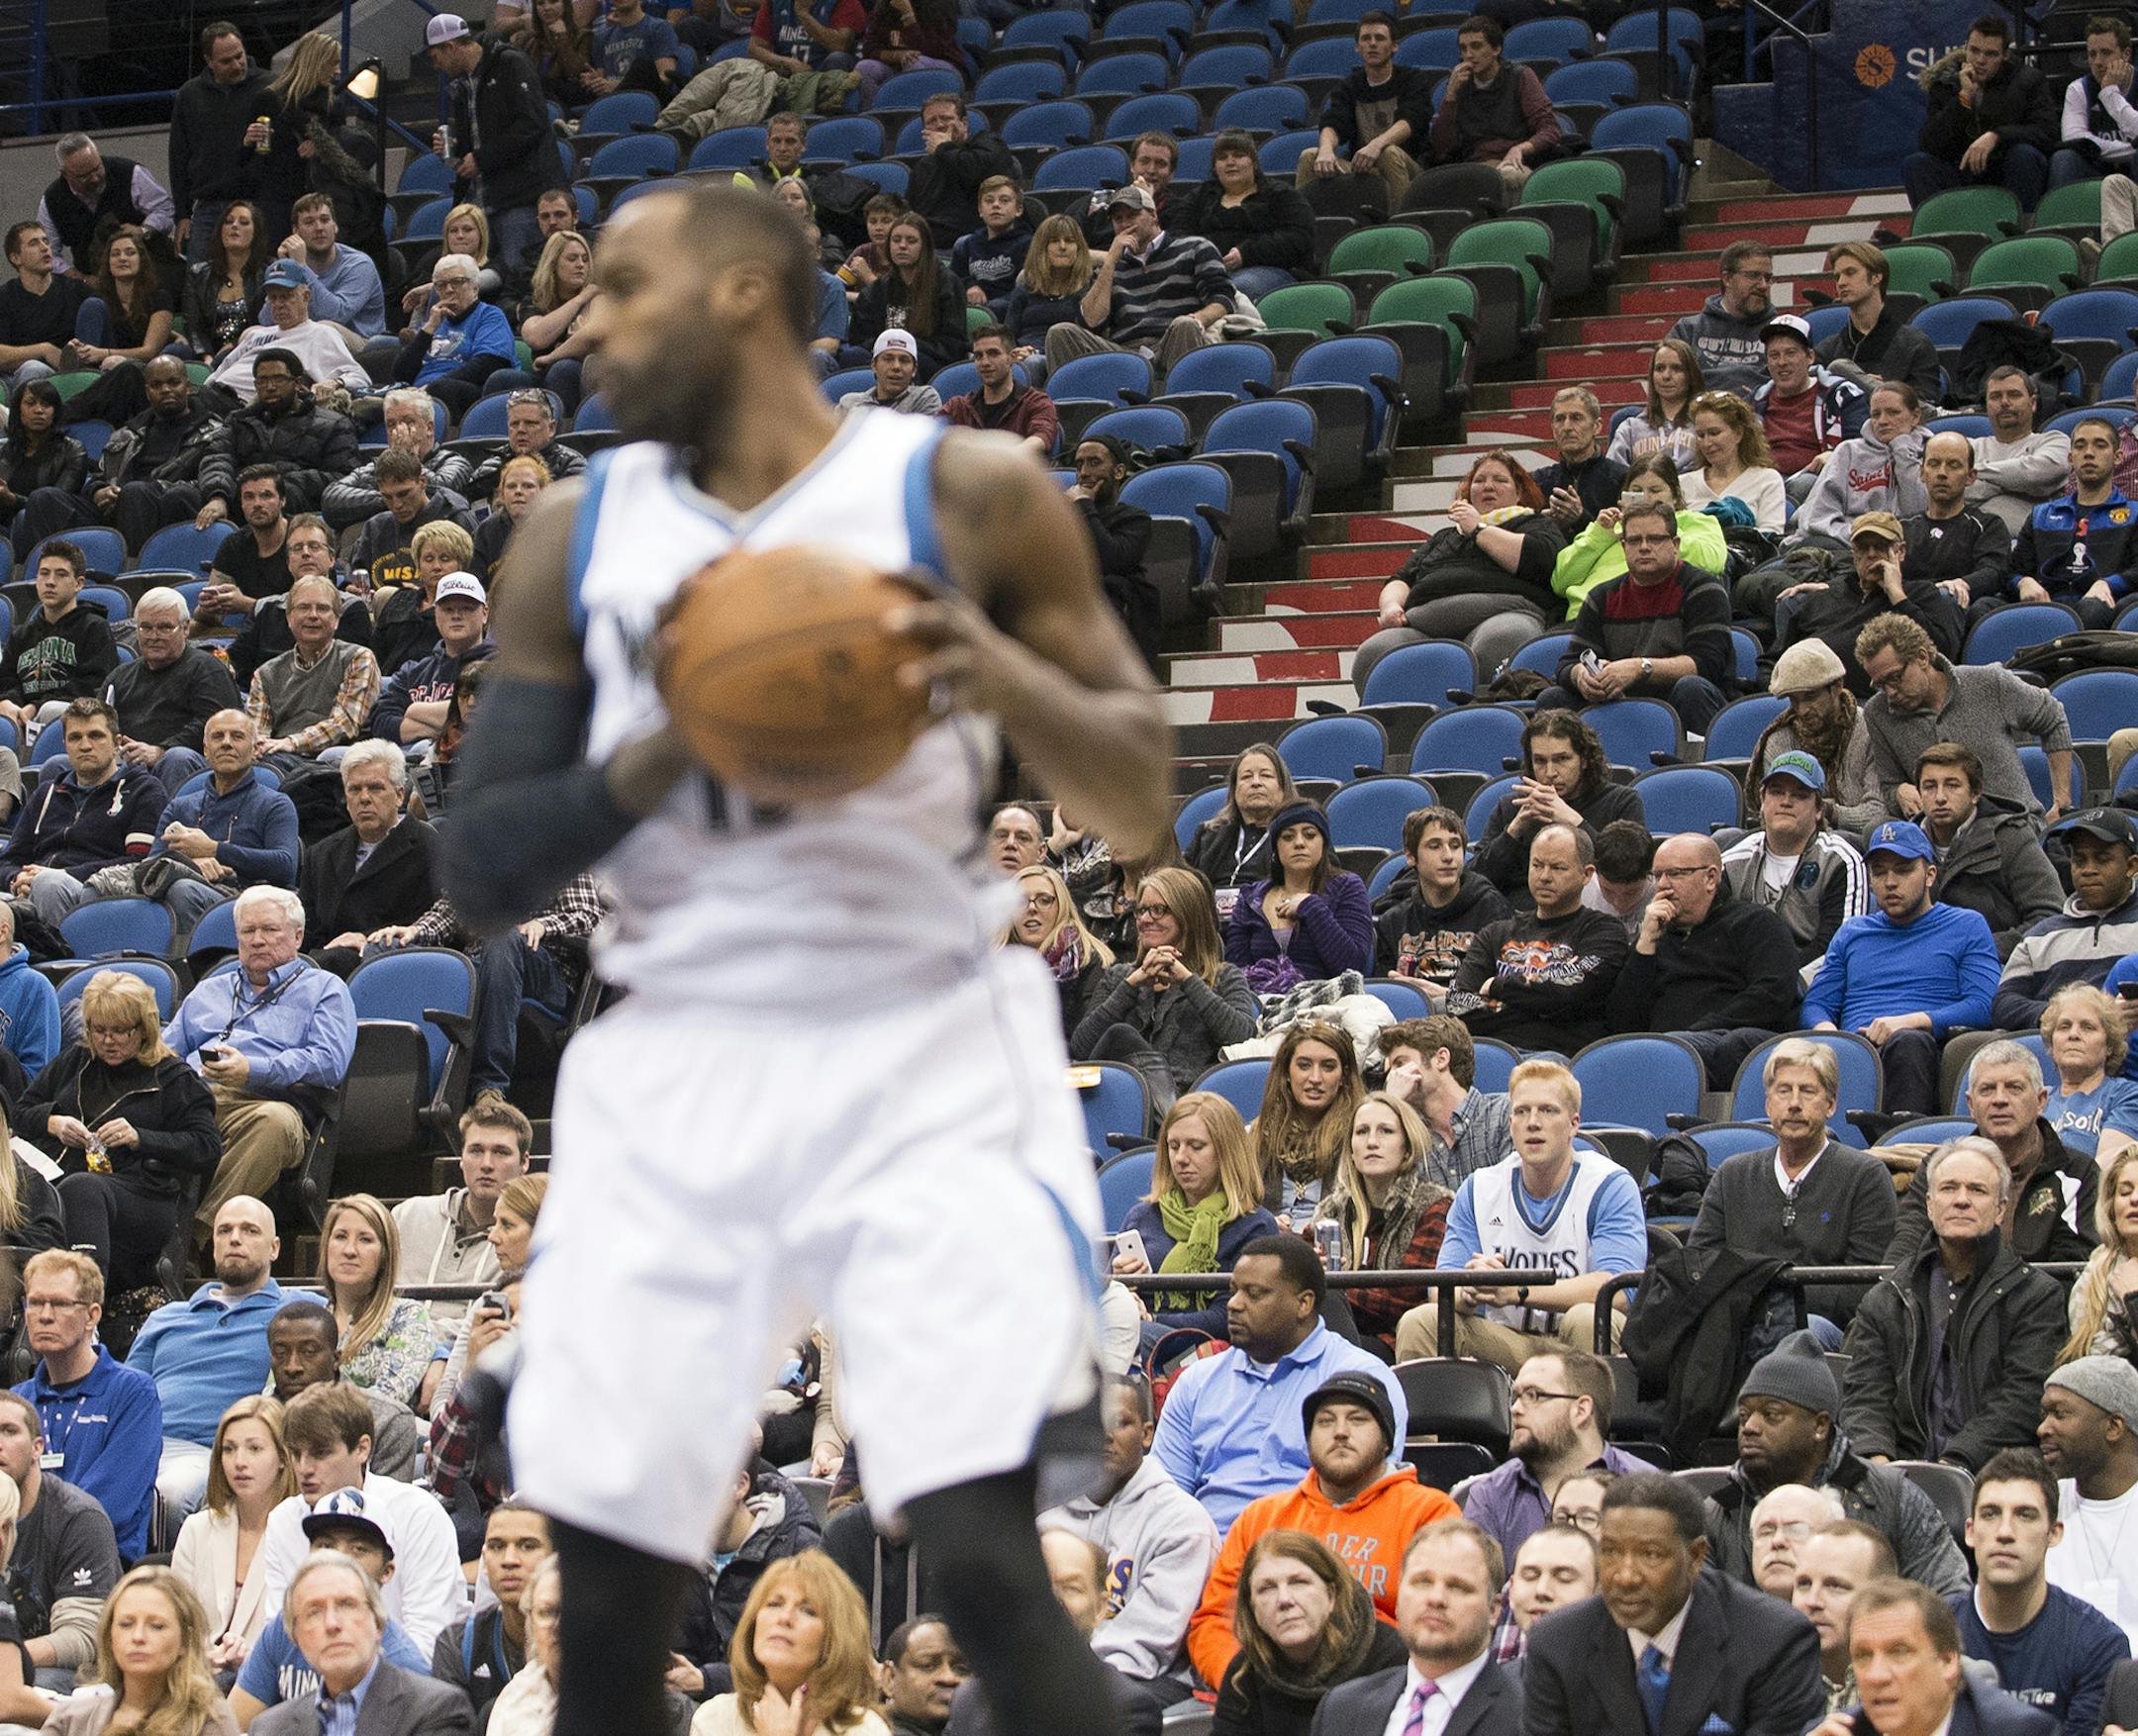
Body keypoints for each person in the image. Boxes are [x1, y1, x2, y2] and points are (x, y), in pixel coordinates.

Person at [440, 182, 1173, 1736]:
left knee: (982, 1559)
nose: (581, 326)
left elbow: (1137, 793)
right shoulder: (576, 533)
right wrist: (663, 750)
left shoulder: (966, 492)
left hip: (924, 1035)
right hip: (679, 1035)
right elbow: (483, 870)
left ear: (745, 293)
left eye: (623, 289)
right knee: (614, 1584)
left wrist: (993, 672)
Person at [1189, 1373, 1453, 1690]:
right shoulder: (1262, 1516)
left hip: (1383, 1694)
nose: (1340, 1432)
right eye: (1325, 1422)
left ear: (1387, 1440)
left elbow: (1438, 1624)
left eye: (1357, 1420)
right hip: (1270, 1695)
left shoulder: (1430, 1513)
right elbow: (1214, 1621)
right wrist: (1243, 1686)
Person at [1392, 1060, 1645, 1371]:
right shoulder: (1480, 1188)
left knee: (1587, 1317)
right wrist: (1470, 1288)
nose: (1533, 1123)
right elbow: (1441, 1289)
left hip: (1575, 1340)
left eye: (1548, 1111)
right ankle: (1427, 1421)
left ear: (1574, 1124)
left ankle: (1583, 1418)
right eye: (1522, 1112)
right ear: (1511, 1123)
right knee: (1422, 1321)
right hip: (1506, 1339)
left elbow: (1619, 1291)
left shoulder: (1608, 1185)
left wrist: (1517, 1291)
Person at [1533, 1473, 1827, 1734]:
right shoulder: (1558, 1642)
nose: (1625, 1576)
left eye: (1650, 1554)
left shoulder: (1774, 1640)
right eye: (1610, 1551)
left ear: (1696, 1557)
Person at [1152, 1236, 1406, 1535]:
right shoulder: (1196, 1381)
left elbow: (1369, 1500)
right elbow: (1164, 1501)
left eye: (1255, 1294)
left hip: (1315, 1557)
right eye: (1233, 1291)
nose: (1234, 1305)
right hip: (1209, 1556)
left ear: (1303, 1303)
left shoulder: (1362, 1378)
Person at [1844, 1137, 2066, 1470]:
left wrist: (1952, 1465)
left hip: (1999, 1473)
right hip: (1896, 1473)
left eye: (1977, 1190)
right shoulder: (1889, 1295)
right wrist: (1878, 1463)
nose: (1961, 1200)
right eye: (1949, 1189)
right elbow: (1865, 1394)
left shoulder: (2036, 1295)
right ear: (1930, 1206)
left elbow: (2021, 1400)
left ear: (2001, 1210)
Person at [1700, 1330, 1972, 1594]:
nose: (1750, 1427)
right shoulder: (1718, 1513)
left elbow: (1949, 1599)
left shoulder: (1891, 1497)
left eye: (1771, 1414)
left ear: (1820, 1425)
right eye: (1745, 1415)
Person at [162, 885, 356, 1229]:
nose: (257, 940)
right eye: (248, 931)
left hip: (263, 1101)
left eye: (269, 930)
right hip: (193, 1096)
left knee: (275, 1123)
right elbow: (164, 1054)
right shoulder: (210, 989)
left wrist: (254, 1070)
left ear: (297, 936)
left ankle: (196, 1234)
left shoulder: (325, 989)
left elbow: (328, 1063)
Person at [23, 969, 220, 1293]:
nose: (107, 1041)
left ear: (144, 1029)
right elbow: (19, 1110)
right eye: (98, 1030)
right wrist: (52, 1122)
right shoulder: (78, 1060)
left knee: (83, 1189)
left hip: (144, 1194)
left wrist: (140, 1138)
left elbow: (206, 1147)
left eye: (120, 1031)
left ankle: (83, 1302)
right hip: (63, 1177)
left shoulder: (173, 1078)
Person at [1687, 1041, 1897, 1342]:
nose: (1794, 1103)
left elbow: (1863, 1287)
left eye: (1808, 1091)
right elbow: (1700, 1266)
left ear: (1831, 1104)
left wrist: (1767, 1297)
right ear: (1768, 1104)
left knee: (1799, 1334)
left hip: (1823, 1330)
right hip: (1738, 1321)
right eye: (1784, 1091)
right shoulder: (1732, 1175)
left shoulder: (1865, 1177)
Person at [1801, 820, 2000, 1114]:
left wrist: (1909, 1021)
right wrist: (1832, 1036)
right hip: (1855, 1054)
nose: (1890, 882)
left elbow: (1982, 1006)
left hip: (1921, 1049)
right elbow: (1816, 1004)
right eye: (1879, 872)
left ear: (1930, 874)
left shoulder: (1966, 925)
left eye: (1903, 870)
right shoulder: (1853, 932)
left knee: (1908, 1043)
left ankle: (1903, 1146)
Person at [253, 1386, 462, 1662]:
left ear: (362, 1449)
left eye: (320, 1453)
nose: (304, 1468)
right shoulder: (283, 1520)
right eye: (295, 1453)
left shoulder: (418, 1514)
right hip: (312, 1688)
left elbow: (429, 1646)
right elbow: (283, 1642)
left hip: (407, 1687)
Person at [1039, 1377, 1216, 1698]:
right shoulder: (1047, 1519)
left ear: (1146, 1433)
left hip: (1150, 1681)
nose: (1105, 1436)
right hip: (1047, 1674)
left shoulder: (1181, 1521)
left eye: (1120, 1423)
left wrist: (1063, 1679)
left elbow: (1147, 1642)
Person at [1350, 451, 1569, 693]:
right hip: (1423, 625)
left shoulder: (1535, 524)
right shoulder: (1445, 536)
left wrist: (1478, 528)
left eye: (1500, 480)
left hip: (1505, 613)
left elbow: (1539, 559)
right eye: (1479, 480)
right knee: (1374, 653)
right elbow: (1401, 578)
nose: (1488, 486)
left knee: (1501, 639)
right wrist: (1390, 606)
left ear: (1519, 494)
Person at [1953, 1448, 2132, 1735]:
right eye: (1991, 1514)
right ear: (1970, 1531)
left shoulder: (2098, 1644)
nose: (2005, 1532)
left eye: (2025, 1515)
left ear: (2054, 1532)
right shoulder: (1929, 1632)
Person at [129, 1197, 284, 1526]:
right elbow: (128, 1394)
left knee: (169, 1494)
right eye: (224, 1230)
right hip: (146, 1444)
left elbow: (370, 1317)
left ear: (274, 1248)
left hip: (218, 1450)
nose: (235, 1238)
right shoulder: (167, 1316)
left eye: (250, 1230)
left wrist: (427, 1359)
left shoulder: (295, 1310)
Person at [1604, 831, 1801, 1080]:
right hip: (1664, 1048)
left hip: (1730, 1043)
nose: (1662, 885)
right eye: (1657, 875)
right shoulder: (1655, 937)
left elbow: (1772, 994)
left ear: (1711, 878)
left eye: (1675, 874)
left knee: (1671, 1052)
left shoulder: (1755, 923)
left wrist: (1697, 1030)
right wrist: (1645, 944)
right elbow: (1621, 1021)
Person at [1889, 1038, 2098, 1269]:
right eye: (1987, 1089)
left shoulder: (2079, 1173)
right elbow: (1904, 1255)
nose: (2000, 1100)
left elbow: (2072, 1273)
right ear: (1970, 1104)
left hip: (2041, 1302)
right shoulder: (1937, 1168)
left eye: (2014, 1088)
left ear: (2041, 1101)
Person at [12, 1248, 160, 1563]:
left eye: (61, 1304)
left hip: (99, 1564)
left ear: (92, 1315)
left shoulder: (132, 1392)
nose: (45, 1315)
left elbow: (111, 1506)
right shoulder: (17, 1402)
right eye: (35, 1302)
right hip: (19, 1564)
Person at [1537, 500, 1732, 729]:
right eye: (1634, 540)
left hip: (1684, 699)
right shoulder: (1601, 596)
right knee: (1553, 699)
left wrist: (1641, 669)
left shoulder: (1703, 589)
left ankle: (1693, 764)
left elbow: (1707, 664)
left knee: (1691, 688)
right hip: (1617, 700)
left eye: (1655, 539)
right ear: (1623, 546)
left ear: (1675, 544)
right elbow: (1567, 663)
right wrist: (1582, 676)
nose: (1644, 547)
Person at [1071, 865, 1258, 1104]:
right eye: (1141, 910)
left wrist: (1188, 980)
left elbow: (1241, 1037)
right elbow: (1082, 1047)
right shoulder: (1119, 977)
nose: (1145, 919)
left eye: (1158, 910)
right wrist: (1131, 986)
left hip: (1192, 1105)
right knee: (1120, 1036)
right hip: (1122, 1104)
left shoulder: (1223, 977)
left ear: (1187, 915)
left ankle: (1167, 1112)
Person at [248, 1545, 472, 1736]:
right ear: (294, 1637)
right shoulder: (270, 1728)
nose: (332, 1624)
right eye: (314, 1612)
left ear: (379, 1623)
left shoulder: (436, 1710)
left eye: (347, 1604)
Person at [1111, 1093, 1281, 1340]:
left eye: (1196, 1146)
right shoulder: (1143, 1216)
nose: (1181, 1158)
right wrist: (1121, 1287)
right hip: (1135, 1339)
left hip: (1209, 1351)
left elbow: (1231, 1317)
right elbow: (1101, 1303)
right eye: (1173, 1146)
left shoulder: (1254, 1226)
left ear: (1226, 1151)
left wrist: (1150, 1320)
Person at [1445, 824, 1630, 1052]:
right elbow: (1457, 1003)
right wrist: (1544, 1006)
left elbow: (1571, 990)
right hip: (1493, 1054)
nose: (1544, 876)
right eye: (1537, 865)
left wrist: (1497, 985)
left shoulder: (1603, 931)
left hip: (1557, 1060)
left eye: (1558, 868)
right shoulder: (1495, 933)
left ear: (1587, 874)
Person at [1458, 1350, 1653, 1566]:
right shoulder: (1490, 1495)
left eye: (1533, 1395)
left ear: (1581, 1410)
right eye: (1515, 1397)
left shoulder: (1649, 1489)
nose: (1515, 1409)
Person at [1206, 1530, 1407, 1736]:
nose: (1284, 1600)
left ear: (1331, 1595)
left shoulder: (1391, 1658)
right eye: (1266, 1588)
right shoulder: (1243, 1673)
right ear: (1251, 1608)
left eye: (1298, 1582)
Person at [1814, 1576, 2061, 1736]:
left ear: (1948, 1661)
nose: (1876, 1676)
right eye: (1863, 1656)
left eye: (1898, 1652)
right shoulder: (1840, 1731)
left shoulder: (2018, 1731)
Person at [0, 696, 168, 929]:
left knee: (49, 883)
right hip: (32, 891)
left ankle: (51, 959)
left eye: (96, 735)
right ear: (65, 744)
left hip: (96, 896)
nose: (85, 745)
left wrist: (63, 873)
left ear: (116, 743)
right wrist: (16, 880)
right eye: (75, 738)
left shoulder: (144, 789)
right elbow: (9, 860)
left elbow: (140, 863)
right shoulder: (47, 794)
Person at [1308, 1094, 1452, 1353]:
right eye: (1362, 1132)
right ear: (1351, 1150)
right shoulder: (1331, 1213)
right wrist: (1307, 1267)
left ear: (1407, 1147)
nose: (1372, 1142)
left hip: (1395, 1343)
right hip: (1333, 1336)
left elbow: (1407, 1299)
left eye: (1386, 1131)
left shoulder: (1432, 1207)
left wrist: (1331, 1285)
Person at [686, 1551, 889, 1736]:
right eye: (774, 1604)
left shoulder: (866, 1730)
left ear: (834, 1638)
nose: (784, 1618)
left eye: (808, 1610)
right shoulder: (714, 1720)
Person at [0, 1387, 124, 1688]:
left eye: (9, 1431)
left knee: (40, 1682)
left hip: (60, 1670)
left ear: (37, 1447)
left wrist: (9, 1659)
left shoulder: (78, 1518)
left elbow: (82, 1637)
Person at [1046, 186, 1231, 378]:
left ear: (1153, 215)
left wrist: (1199, 319)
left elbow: (1223, 299)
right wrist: (1110, 262)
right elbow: (1091, 322)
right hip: (1124, 351)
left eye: (1132, 215)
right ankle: (1070, 407)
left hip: (1171, 339)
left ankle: (1186, 402)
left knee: (1185, 324)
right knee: (1060, 333)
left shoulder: (1194, 247)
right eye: (1118, 219)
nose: (1125, 223)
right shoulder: (1110, 268)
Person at [40, 1562, 239, 1736]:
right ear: (109, 1637)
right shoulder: (70, 1720)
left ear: (185, 1641)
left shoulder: (210, 1720)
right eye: (126, 1624)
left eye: (156, 1626)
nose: (138, 1637)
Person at [1903, 742, 2061, 959]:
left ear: (1975, 793)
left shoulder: (2010, 836)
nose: (1940, 797)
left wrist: (1980, 949)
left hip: (1998, 962)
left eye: (1952, 785)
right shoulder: (1905, 844)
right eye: (1930, 786)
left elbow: (2050, 916)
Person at [170, 1395, 291, 1672]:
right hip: (197, 1677)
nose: (239, 1462)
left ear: (283, 1457)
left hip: (265, 1682)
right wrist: (201, 1657)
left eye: (255, 1449)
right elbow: (177, 1623)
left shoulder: (301, 1534)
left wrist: (249, 1659)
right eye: (229, 1449)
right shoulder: (196, 1529)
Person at [424, 15, 550, 275]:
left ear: (450, 47)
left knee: (519, 276)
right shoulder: (462, 85)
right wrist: (457, 149)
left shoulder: (511, 64)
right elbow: (480, 142)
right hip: (482, 203)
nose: (435, 66)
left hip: (519, 198)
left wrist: (481, 158)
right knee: (475, 283)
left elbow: (531, 124)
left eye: (435, 57)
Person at [1994, 809, 2138, 1029]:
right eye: (2079, 860)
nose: (2089, 870)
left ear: (2131, 866)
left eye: (2102, 859)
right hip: (2052, 1048)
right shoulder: (2040, 936)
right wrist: (2067, 1017)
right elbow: (2004, 1005)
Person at [1905, 13, 2057, 211]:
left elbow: (2048, 133)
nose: (1980, 60)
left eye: (1991, 54)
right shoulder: (1945, 83)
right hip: (1962, 170)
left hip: (2005, 167)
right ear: (1965, 47)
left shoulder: (2028, 80)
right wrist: (1963, 99)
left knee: (2024, 155)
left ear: (2005, 55)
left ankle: (2020, 232)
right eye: (1974, 51)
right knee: (1916, 164)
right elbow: (1930, 143)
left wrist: (1997, 136)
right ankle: (1942, 235)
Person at [2037, 1355, 2138, 1646]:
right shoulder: (2041, 1505)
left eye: (2060, 1414)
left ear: (2114, 1427)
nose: (2043, 1428)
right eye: (2044, 1415)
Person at [1550, 454, 1728, 620]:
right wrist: (1599, 537)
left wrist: (1662, 528)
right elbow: (1560, 581)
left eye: (1655, 490)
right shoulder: (1606, 527)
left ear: (1675, 495)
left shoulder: (1695, 522)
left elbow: (1712, 560)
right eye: (1637, 491)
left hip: (1653, 619)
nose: (1646, 498)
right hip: (1583, 618)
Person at [103, 588, 244, 793]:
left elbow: (215, 727)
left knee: (177, 757)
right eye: (146, 628)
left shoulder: (207, 668)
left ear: (186, 628)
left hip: (186, 766)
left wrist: (160, 751)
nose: (154, 636)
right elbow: (98, 721)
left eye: (165, 628)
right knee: (59, 763)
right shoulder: (119, 676)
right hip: (127, 762)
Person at [264, 1303, 420, 1485]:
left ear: (336, 1359)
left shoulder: (387, 1420)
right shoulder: (254, 1423)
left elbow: (388, 1505)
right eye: (281, 1353)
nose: (293, 1366)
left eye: (309, 1352)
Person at [1222, 802, 1373, 990]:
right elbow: (1235, 975)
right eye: (1287, 837)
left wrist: (1311, 907)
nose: (1299, 843)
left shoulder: (1348, 887)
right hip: (1262, 1004)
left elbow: (1352, 967)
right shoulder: (1250, 898)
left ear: (1324, 843)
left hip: (1326, 1005)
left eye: (1310, 835)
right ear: (1275, 848)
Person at [2007, 416, 2138, 627]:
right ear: (2070, 458)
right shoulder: (2041, 515)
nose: (2088, 453)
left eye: (2100, 445)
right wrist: (2023, 582)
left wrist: (2108, 584)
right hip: (2047, 604)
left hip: (2104, 604)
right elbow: (2012, 570)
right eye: (2080, 446)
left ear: (2118, 457)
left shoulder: (2134, 513)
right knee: (1984, 605)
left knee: (2093, 608)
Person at [310, 1195, 434, 1411]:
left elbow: (387, 1400)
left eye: (365, 1239)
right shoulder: (309, 1321)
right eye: (340, 1237)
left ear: (385, 1255)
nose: (349, 1250)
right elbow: (274, 1395)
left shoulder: (407, 1317)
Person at [431, 1502, 552, 1722]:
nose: (509, 1560)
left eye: (528, 1546)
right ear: (484, 1558)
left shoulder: (584, 1647)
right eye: (497, 1546)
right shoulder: (458, 1645)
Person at [242, 576, 382, 766]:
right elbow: (257, 734)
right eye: (304, 607)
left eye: (323, 608)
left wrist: (292, 743)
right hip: (278, 756)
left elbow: (345, 724)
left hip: (332, 762)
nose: (313, 615)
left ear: (336, 620)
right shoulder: (265, 674)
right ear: (289, 618)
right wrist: (261, 747)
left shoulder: (358, 658)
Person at [1371, 806, 1511, 991]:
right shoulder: (1394, 921)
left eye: (1455, 846)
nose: (1448, 856)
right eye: (1435, 846)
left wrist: (1445, 997)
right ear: (1411, 857)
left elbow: (1504, 995)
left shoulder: (1492, 909)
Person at [0, 542, 119, 739]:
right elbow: (6, 682)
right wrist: (8, 702)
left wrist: (35, 707)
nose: (50, 582)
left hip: (70, 718)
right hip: (22, 716)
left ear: (78, 583)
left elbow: (94, 686)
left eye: (61, 574)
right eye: (44, 573)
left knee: (50, 710)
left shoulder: (94, 628)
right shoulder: (21, 635)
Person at [1426, 13, 1559, 190]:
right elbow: (1442, 147)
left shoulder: (1520, 77)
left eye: (1476, 46)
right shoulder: (1458, 85)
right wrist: (1450, 97)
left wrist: (1520, 148)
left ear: (1496, 49)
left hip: (1514, 161)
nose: (1469, 55)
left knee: (1509, 176)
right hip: (1473, 165)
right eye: (1463, 48)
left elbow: (1550, 129)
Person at [1178, 132, 1312, 305]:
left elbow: (1299, 239)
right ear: (1214, 167)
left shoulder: (1282, 195)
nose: (1230, 162)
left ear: (1254, 163)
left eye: (1239, 155)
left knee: (1237, 287)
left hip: (1269, 269)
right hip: (1206, 270)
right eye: (1222, 157)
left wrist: (1246, 254)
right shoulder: (1199, 197)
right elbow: (1178, 235)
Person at [365, 573, 493, 748]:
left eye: (466, 608)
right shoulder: (413, 671)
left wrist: (414, 710)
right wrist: (440, 728)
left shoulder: (499, 666)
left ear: (485, 613)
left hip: (468, 758)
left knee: (423, 747)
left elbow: (490, 716)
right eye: (448, 609)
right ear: (436, 614)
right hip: (404, 758)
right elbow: (381, 723)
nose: (456, 615)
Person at [1063, 436, 1157, 670]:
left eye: (1094, 463)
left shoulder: (1135, 519)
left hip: (1112, 612)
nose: (1084, 472)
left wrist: (1085, 506)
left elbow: (1113, 559)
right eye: (1079, 465)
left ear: (1118, 472)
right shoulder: (1064, 519)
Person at [203, 275, 370, 405]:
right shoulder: (257, 335)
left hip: (244, 404)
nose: (278, 304)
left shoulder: (320, 334)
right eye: (273, 298)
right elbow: (216, 375)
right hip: (212, 397)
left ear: (306, 296)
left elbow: (360, 377)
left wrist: (336, 382)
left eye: (285, 297)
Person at [1752, 314, 1866, 501]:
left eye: (1791, 353)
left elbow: (1863, 446)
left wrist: (1836, 455)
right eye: (1774, 355)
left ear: (1810, 357)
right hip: (1764, 482)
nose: (1782, 362)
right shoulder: (1756, 401)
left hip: (1817, 483)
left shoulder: (1842, 395)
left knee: (1803, 485)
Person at [1791, 1520, 1898, 1714]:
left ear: (1882, 1600)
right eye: (1804, 1584)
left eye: (1835, 1586)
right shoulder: (1766, 1682)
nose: (1812, 1601)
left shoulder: (1911, 1685)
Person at [1813, 244, 1942, 406]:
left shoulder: (1915, 345)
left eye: (1850, 273)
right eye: (1837, 276)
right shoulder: (1827, 350)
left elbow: (1926, 408)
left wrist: (1887, 390)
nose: (1841, 283)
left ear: (1876, 277)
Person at [37, 134, 174, 278]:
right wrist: (77, 278)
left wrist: (144, 230)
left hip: (149, 268)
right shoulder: (52, 200)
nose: (95, 178)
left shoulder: (129, 172)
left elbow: (165, 209)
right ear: (65, 174)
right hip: (92, 278)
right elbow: (46, 251)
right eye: (85, 176)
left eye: (97, 168)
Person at [1186, 746, 1298, 914]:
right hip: (1209, 927)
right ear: (1234, 790)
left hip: (1269, 923)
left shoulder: (1301, 833)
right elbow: (1180, 885)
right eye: (1246, 777)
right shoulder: (1209, 834)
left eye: (1266, 775)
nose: (1256, 782)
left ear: (1283, 787)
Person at [907, 95, 1017, 259]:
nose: (939, 125)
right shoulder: (924, 166)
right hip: (929, 251)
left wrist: (944, 147)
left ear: (964, 123)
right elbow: (911, 209)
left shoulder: (988, 142)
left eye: (946, 118)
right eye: (932, 121)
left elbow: (976, 172)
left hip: (977, 246)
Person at [2057, 1142, 2138, 1362]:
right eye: (2125, 1191)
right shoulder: (2095, 1273)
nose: (2134, 1199)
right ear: (2111, 1206)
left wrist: (2133, 1300)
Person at [1968, 367, 2071, 538]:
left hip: (2030, 545)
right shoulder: (1969, 447)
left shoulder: (2054, 441)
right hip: (1971, 542)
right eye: (1995, 397)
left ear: (2033, 403)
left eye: (2014, 395)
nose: (2005, 402)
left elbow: (2035, 476)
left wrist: (1975, 473)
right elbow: (1946, 488)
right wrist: (2016, 483)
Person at [1666, 241, 1776, 398]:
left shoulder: (1780, 330)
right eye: (1753, 276)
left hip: (1757, 415)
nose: (1763, 285)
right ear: (1727, 279)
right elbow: (1667, 380)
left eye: (1768, 278)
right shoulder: (1688, 329)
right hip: (1696, 415)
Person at [275, 194, 384, 350]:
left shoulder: (359, 265)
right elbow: (267, 319)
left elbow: (336, 316)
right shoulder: (292, 263)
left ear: (335, 227)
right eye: (309, 222)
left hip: (362, 346)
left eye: (325, 220)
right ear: (295, 232)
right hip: (306, 338)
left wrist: (301, 267)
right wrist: (285, 267)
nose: (319, 228)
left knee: (324, 329)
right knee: (252, 333)